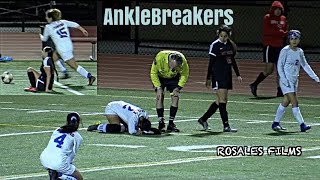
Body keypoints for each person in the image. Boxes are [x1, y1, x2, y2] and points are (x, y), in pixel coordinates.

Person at [271, 30, 319, 132]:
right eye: (292, 39)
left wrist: (314, 77)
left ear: (299, 40)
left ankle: (275, 123)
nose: (294, 41)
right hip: (286, 81)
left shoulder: (300, 52)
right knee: (294, 102)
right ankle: (302, 125)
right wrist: (283, 79)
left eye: (296, 39)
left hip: (294, 80)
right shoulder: (285, 50)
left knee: (286, 101)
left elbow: (305, 65)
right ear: (289, 39)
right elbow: (279, 65)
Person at [198, 25, 242, 132]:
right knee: (223, 100)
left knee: (219, 101)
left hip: (227, 75)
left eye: (225, 36)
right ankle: (226, 126)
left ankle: (203, 119)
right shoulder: (215, 45)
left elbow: (232, 60)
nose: (223, 38)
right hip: (218, 75)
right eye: (221, 36)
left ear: (228, 36)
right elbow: (211, 63)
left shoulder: (231, 45)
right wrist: (208, 78)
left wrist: (237, 74)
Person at [40, 8, 96, 85]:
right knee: (54, 56)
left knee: (74, 66)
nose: (46, 18)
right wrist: (83, 30)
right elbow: (75, 24)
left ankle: (89, 76)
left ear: (51, 18)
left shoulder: (48, 27)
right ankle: (64, 71)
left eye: (47, 17)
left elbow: (45, 39)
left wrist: (40, 36)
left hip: (62, 49)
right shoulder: (63, 22)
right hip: (68, 45)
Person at [250, 1, 288, 97]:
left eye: (280, 9)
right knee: (269, 70)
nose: (278, 11)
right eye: (276, 9)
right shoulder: (267, 17)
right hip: (270, 46)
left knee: (281, 69)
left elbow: (286, 31)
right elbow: (268, 31)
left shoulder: (283, 19)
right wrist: (280, 32)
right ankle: (254, 84)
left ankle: (280, 91)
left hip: (279, 46)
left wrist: (281, 33)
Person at [150, 50, 189, 132]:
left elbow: (185, 74)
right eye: (171, 65)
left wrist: (178, 87)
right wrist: (158, 87)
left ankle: (171, 123)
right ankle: (161, 123)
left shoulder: (183, 61)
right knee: (159, 96)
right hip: (160, 77)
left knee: (175, 97)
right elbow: (153, 73)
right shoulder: (160, 57)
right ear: (169, 60)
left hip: (173, 78)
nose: (172, 68)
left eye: (175, 67)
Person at [40, 112, 84, 180]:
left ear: (67, 121)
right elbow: (71, 156)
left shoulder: (57, 130)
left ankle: (56, 175)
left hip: (44, 158)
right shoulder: (77, 137)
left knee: (56, 169)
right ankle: (59, 177)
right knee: (79, 178)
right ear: (78, 123)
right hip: (59, 163)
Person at [87, 101, 160, 135]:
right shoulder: (133, 118)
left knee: (126, 127)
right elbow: (131, 132)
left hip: (120, 107)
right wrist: (138, 131)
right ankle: (98, 126)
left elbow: (146, 125)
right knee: (117, 128)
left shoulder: (145, 115)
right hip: (112, 108)